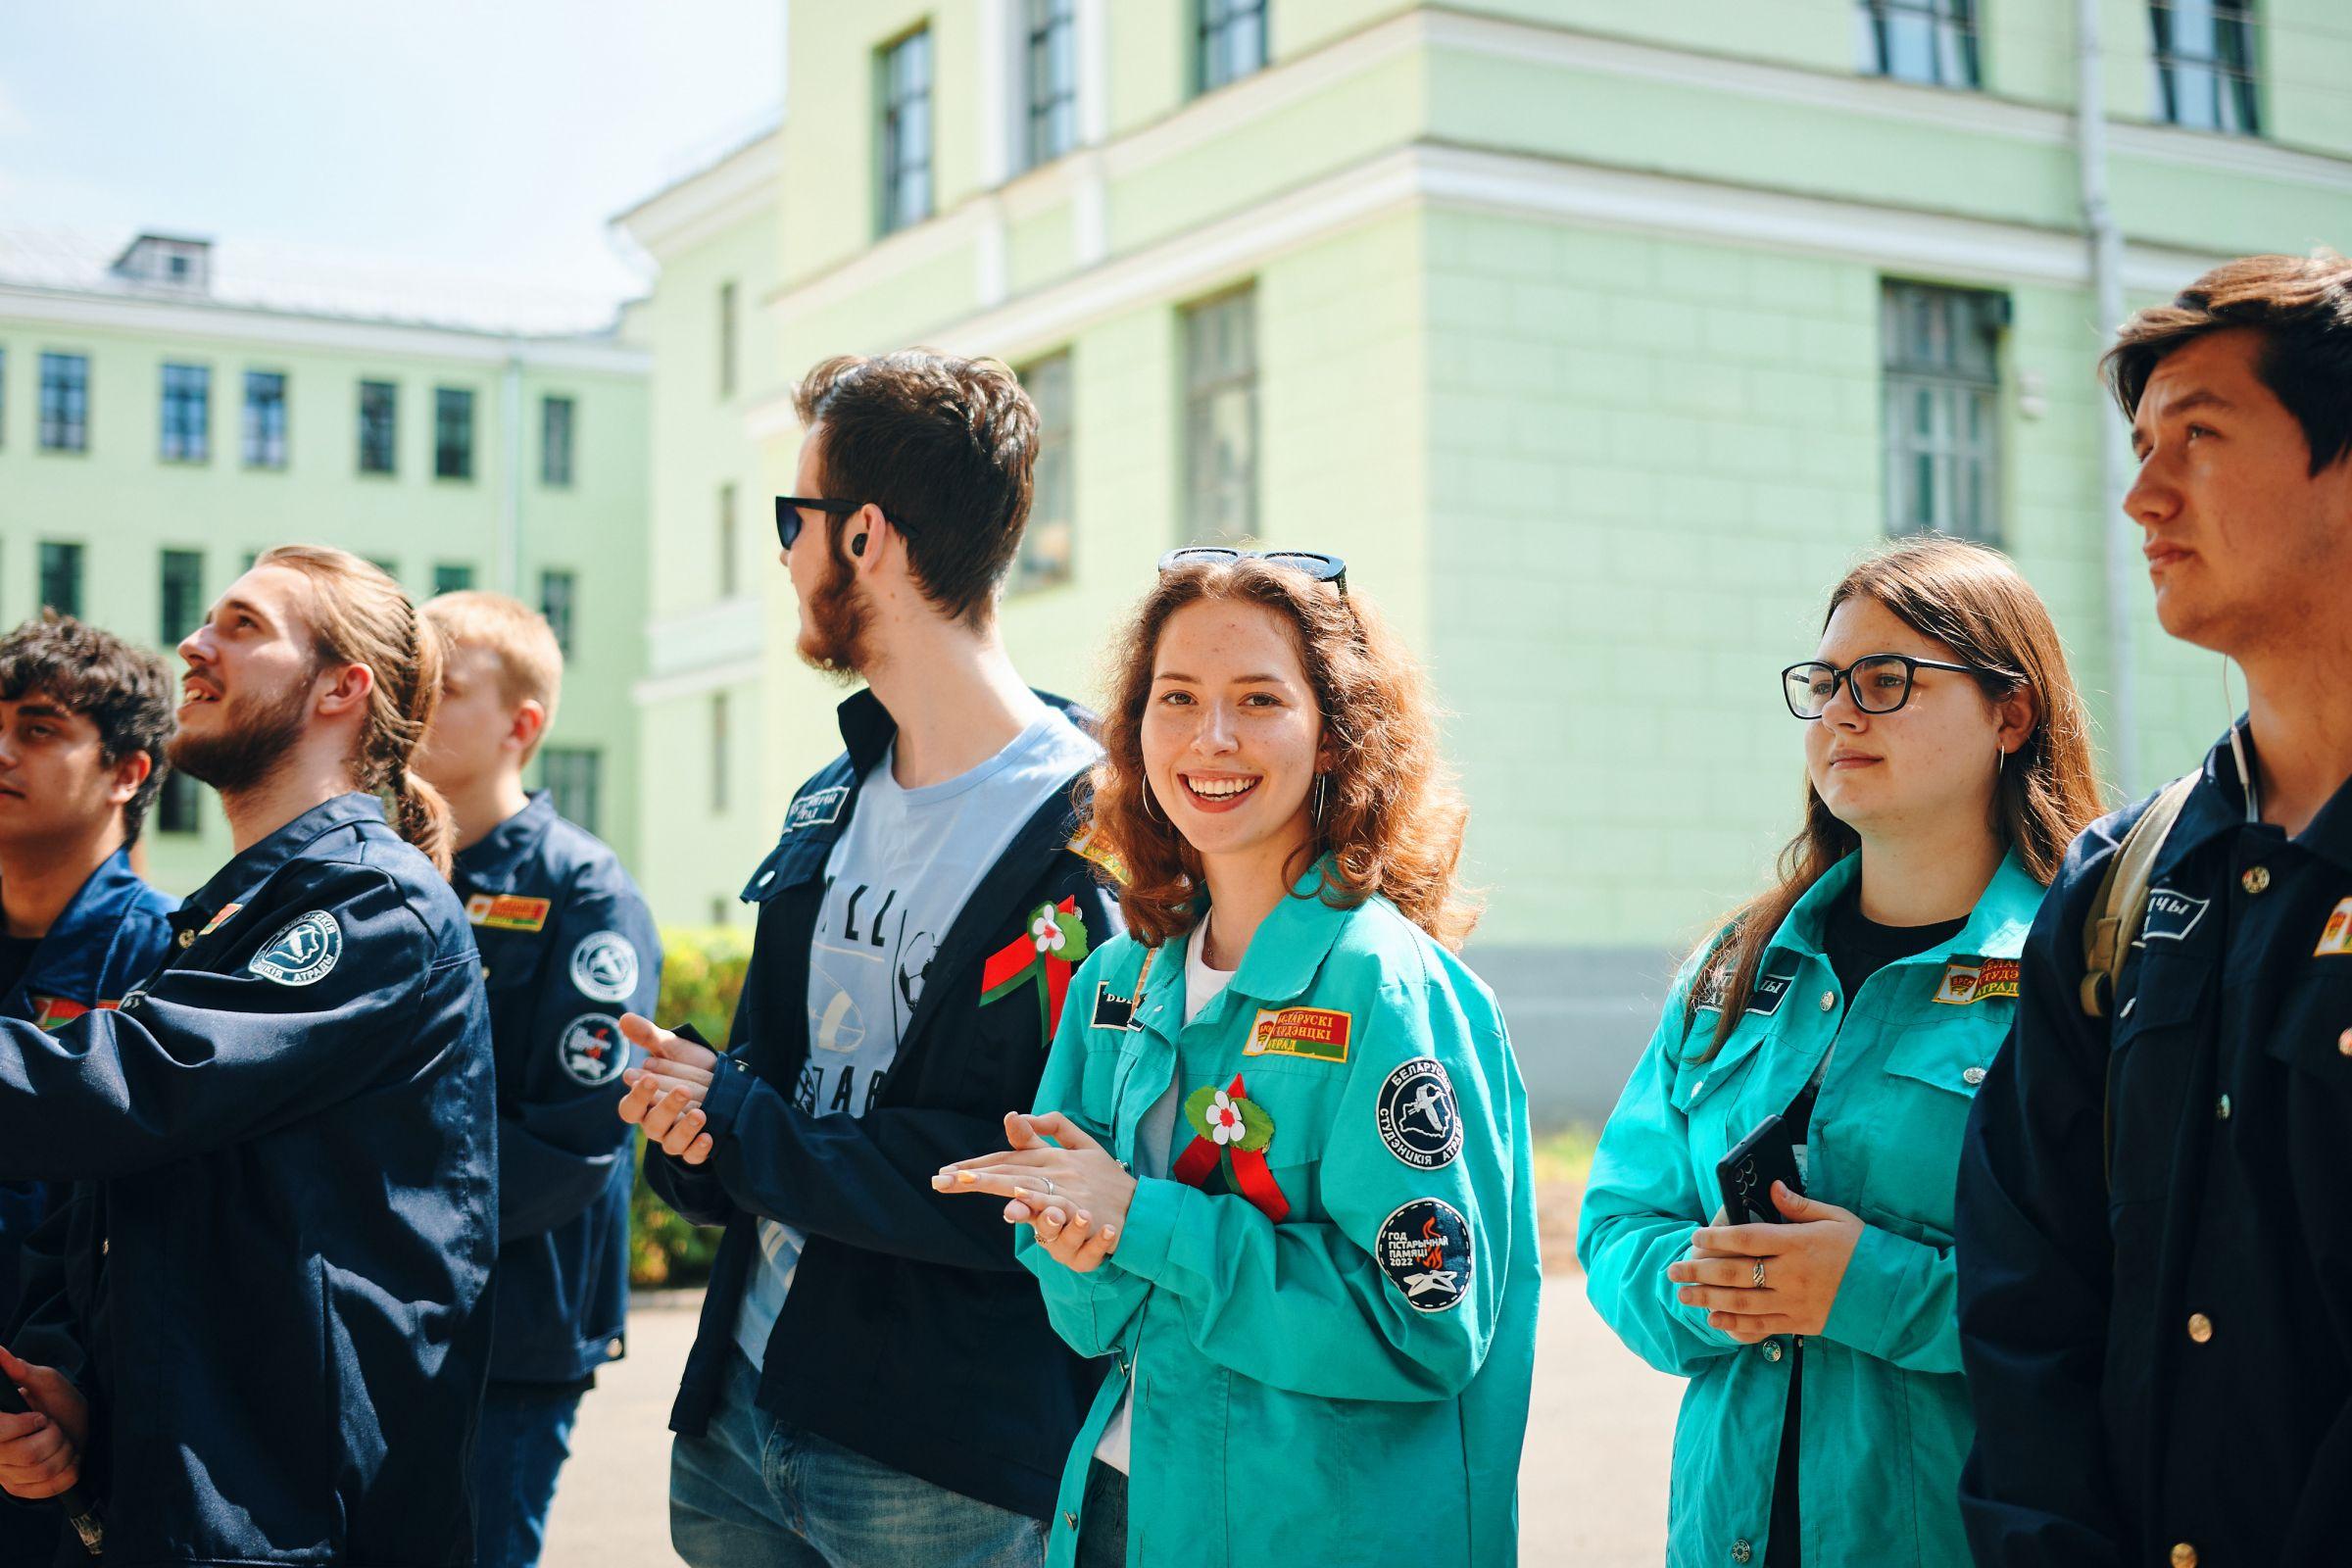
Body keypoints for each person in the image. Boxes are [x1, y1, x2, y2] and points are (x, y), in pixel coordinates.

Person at [936, 550, 1541, 1568]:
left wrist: (1140, 1217)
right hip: (1129, 1507)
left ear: (1337, 735)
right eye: (1177, 698)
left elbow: (1424, 1324)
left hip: (1315, 1532)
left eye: (1259, 699)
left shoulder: (1383, 988)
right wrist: (1071, 1236)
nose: (1211, 738)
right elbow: (1089, 1316)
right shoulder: (1118, 982)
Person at [621, 351, 1120, 1568]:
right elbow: (766, 1081)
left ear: (867, 541)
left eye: (795, 520)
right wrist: (694, 1128)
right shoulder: (825, 801)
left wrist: (740, 1122)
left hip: (936, 1458)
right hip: (743, 1415)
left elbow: (1015, 1179)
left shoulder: (1091, 833)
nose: (784, 554)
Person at [1579, 536, 2104, 1568]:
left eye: (1886, 680)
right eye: (1823, 685)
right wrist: (1711, 1282)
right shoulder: (1736, 964)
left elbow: (2126, 1295)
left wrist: (1865, 1288)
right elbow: (1617, 1220)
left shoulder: (2084, 973)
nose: (1839, 714)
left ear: (2012, 711)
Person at [1956, 254, 2352, 1567]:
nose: (2141, 496)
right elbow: (2027, 1301)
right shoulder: (2126, 882)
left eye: (2200, 437)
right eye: (2139, 445)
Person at [0, 546, 497, 1566]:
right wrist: (70, 1389)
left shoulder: (373, 903)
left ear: (339, 690)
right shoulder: (230, 918)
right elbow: (128, 1203)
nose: (194, 645)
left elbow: (132, 1090)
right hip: (190, 1500)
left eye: (242, 626)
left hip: (289, 1520)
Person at [415, 590, 662, 1568]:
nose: (417, 700)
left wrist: (396, 1224)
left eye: (447, 686)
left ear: (523, 725)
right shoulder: (390, 868)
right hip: (390, 1310)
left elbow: (578, 1134)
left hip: (512, 1325)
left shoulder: (581, 889)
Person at [0, 613, 178, 1567]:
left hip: (59, 1432)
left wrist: (64, 1394)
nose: (1, 750)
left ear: (127, 772)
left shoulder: (165, 957)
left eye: (38, 728)